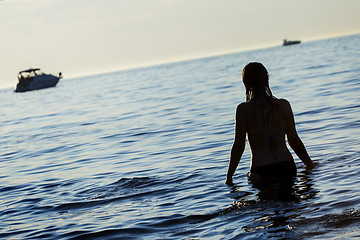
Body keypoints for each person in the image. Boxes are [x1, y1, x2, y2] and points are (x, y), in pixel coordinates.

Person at [225, 62, 314, 186]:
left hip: (262, 170)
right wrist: (309, 163)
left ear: (246, 83)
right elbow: (293, 140)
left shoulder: (243, 110)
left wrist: (229, 177)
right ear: (266, 79)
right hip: (287, 166)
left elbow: (239, 146)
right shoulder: (284, 105)